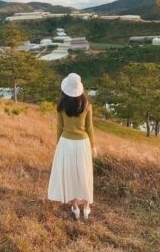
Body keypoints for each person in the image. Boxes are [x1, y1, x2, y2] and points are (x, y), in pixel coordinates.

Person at [48, 73, 97, 220]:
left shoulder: (61, 106)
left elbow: (59, 128)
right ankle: (86, 207)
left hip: (66, 144)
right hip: (83, 144)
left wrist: (58, 146)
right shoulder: (87, 105)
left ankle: (75, 207)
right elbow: (90, 128)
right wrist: (93, 146)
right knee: (85, 174)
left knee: (70, 176)